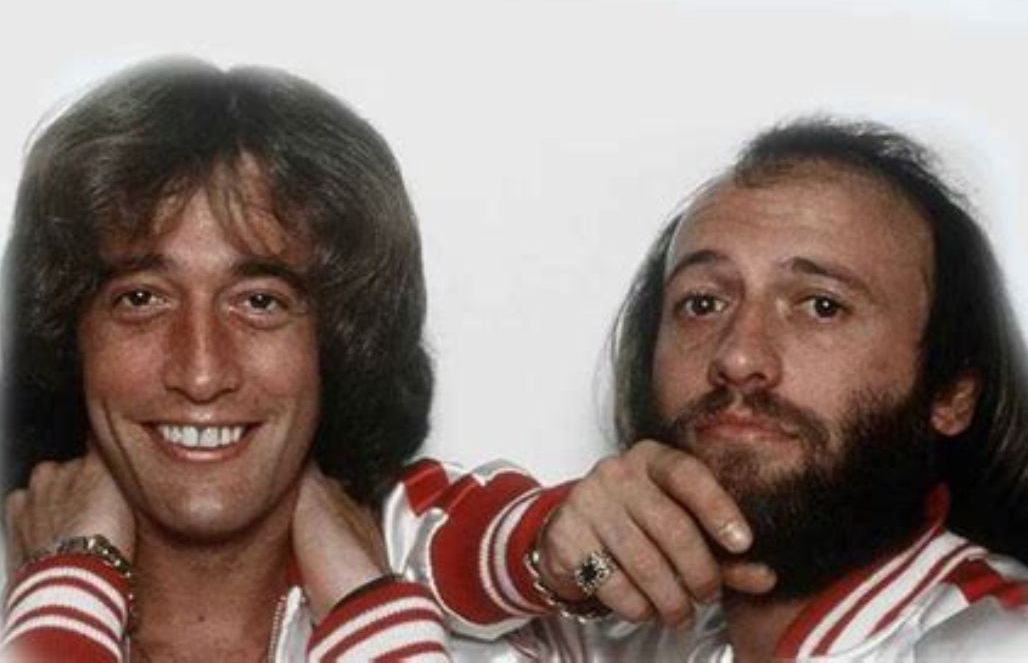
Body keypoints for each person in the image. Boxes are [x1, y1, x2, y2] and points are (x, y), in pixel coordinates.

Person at [389, 119, 1028, 660]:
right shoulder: (622, 631)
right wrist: (542, 555)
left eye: (822, 306)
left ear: (952, 393)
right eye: (702, 303)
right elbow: (365, 542)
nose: (738, 356)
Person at [1, 59, 450, 661]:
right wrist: (70, 583)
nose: (202, 373)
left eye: (260, 302)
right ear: (65, 336)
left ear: (343, 342)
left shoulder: (495, 641)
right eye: (141, 299)